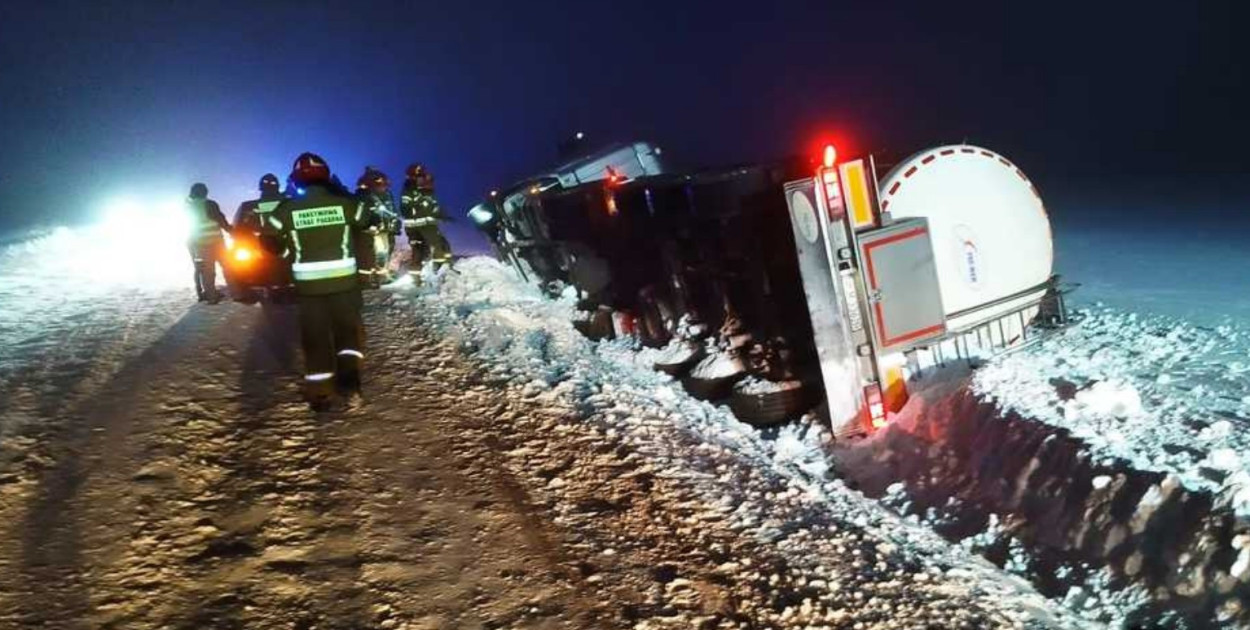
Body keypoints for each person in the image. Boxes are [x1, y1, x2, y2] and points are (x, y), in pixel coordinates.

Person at [263, 153, 371, 408]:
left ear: (297, 179)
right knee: (348, 334)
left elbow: (269, 239)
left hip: (309, 288)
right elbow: (366, 221)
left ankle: (321, 393)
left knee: (315, 338)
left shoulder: (287, 208)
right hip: (345, 285)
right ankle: (350, 385)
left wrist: (288, 252)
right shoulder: (345, 204)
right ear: (326, 176)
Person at [399, 163, 452, 278]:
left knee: (421, 250)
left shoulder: (427, 194)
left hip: (418, 226)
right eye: (423, 178)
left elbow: (435, 209)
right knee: (438, 245)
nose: (428, 182)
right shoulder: (411, 191)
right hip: (423, 226)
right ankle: (441, 271)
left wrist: (444, 216)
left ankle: (418, 275)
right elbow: (405, 208)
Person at [185, 182, 231, 303]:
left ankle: (209, 297)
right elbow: (220, 219)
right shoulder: (210, 204)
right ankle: (238, 292)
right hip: (216, 242)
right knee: (228, 266)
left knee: (205, 270)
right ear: (205, 192)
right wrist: (231, 230)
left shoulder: (189, 208)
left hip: (198, 244)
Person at [357, 169, 400, 287]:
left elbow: (392, 211)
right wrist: (371, 225)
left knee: (384, 253)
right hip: (373, 231)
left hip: (385, 230)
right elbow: (362, 214)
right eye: (381, 184)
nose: (384, 187)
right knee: (376, 254)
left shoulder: (387, 195)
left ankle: (381, 276)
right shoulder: (363, 195)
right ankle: (375, 278)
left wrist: (395, 223)